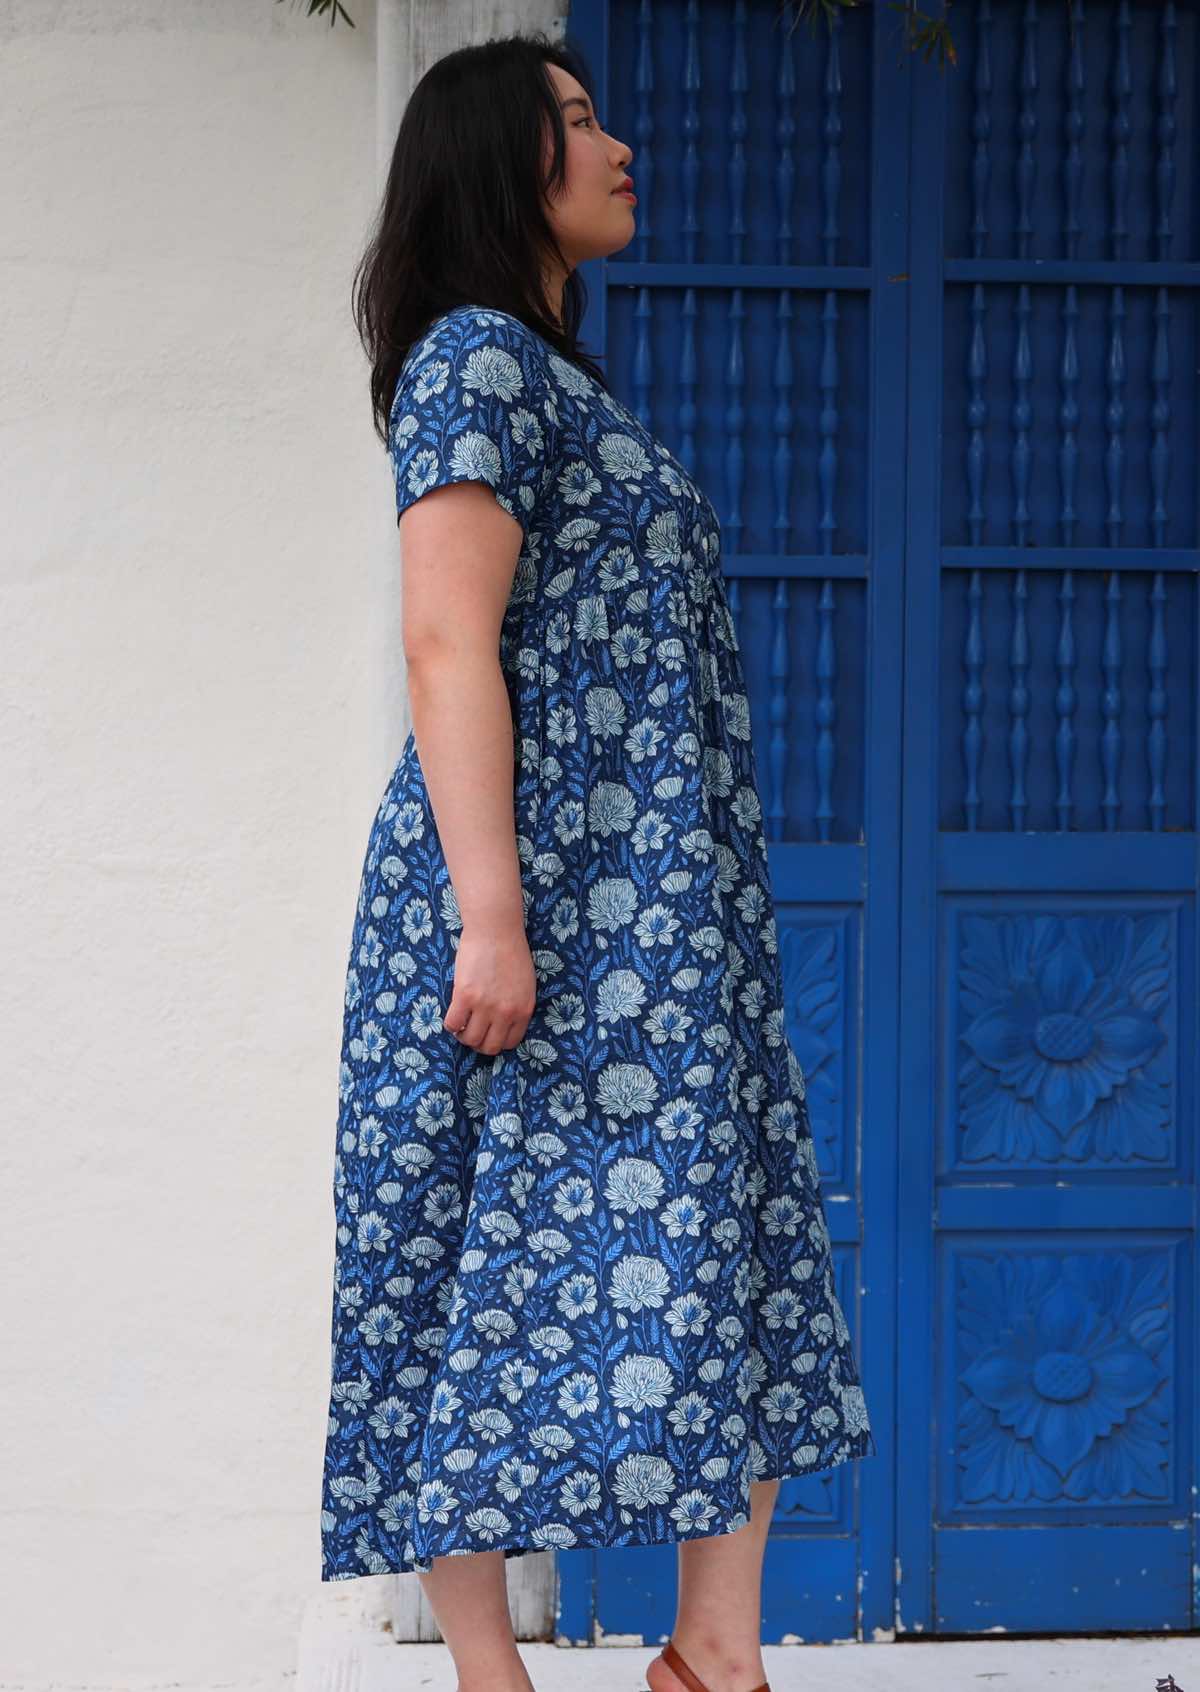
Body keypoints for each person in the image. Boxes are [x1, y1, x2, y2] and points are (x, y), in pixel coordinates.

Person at [320, 30, 876, 1692]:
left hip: (652, 914)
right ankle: (493, 1675)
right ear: (502, 166)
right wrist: (492, 915)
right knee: (457, 1250)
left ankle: (715, 1651)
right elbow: (444, 640)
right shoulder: (475, 361)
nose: (618, 143)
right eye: (575, 123)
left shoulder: (558, 382)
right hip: (534, 900)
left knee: (739, 1232)